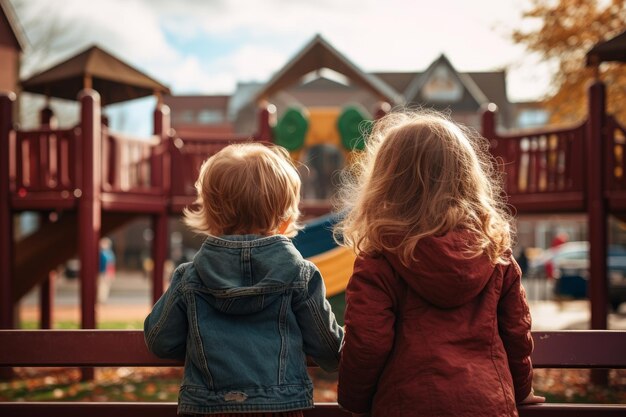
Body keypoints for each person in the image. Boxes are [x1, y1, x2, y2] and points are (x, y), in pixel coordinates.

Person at [334, 110, 545, 417]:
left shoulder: (381, 259)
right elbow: (516, 333)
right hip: (486, 405)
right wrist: (521, 391)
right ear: (467, 179)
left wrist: (353, 401)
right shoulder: (495, 255)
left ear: (386, 183)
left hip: (407, 405)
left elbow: (368, 342)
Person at [144, 143, 344, 417]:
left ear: (211, 216)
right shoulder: (301, 275)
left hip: (208, 407)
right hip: (280, 407)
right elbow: (329, 350)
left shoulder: (189, 277)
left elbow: (160, 341)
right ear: (286, 219)